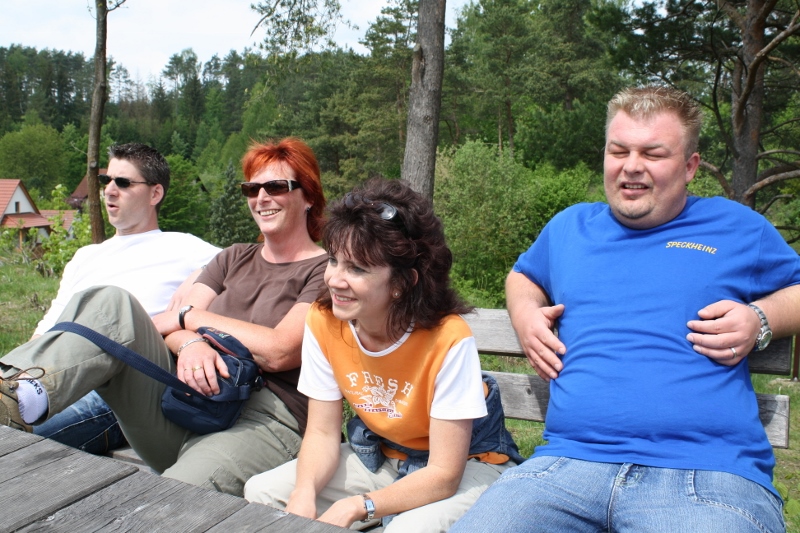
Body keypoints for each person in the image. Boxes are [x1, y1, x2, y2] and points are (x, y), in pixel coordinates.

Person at [450, 86, 800, 533]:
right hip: (565, 467)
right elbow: (523, 276)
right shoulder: (570, 227)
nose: (632, 165)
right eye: (619, 151)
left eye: (653, 153)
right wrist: (525, 313)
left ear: (690, 166)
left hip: (705, 474)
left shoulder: (736, 227)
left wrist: (761, 319)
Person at [0, 137, 328, 496]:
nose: (261, 197)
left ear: (308, 196)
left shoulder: (325, 271)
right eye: (252, 188)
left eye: (276, 186)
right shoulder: (233, 257)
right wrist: (190, 344)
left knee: (171, 498)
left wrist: (190, 319)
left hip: (263, 417)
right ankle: (15, 394)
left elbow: (280, 350)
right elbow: (167, 327)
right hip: (186, 403)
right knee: (111, 301)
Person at [244, 178, 523, 532]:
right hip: (384, 453)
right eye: (333, 260)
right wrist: (304, 492)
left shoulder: (447, 339)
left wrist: (360, 506)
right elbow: (322, 433)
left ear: (402, 283)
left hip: (468, 465)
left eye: (357, 269)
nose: (335, 280)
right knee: (264, 493)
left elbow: (443, 474)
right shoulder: (324, 321)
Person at [29, 142, 220, 455]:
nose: (109, 190)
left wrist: (201, 274)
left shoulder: (185, 248)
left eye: (123, 182)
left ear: (155, 194)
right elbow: (47, 328)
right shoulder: (85, 256)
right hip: (52, 374)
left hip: (117, 390)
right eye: (106, 181)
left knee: (18, 432)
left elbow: (247, 263)